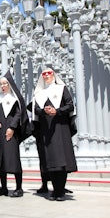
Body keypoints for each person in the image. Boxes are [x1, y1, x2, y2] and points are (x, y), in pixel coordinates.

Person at [31, 68, 77, 201]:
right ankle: (55, 190)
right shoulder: (39, 93)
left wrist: (57, 111)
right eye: (44, 74)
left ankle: (60, 191)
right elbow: (35, 110)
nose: (46, 75)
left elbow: (70, 105)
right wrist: (44, 111)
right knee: (50, 160)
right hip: (46, 130)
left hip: (60, 127)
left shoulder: (62, 88)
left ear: (54, 75)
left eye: (49, 73)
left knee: (61, 160)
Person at [0, 71, 29, 198]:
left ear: (10, 84)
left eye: (5, 83)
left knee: (13, 159)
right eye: (1, 84)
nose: (3, 86)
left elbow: (18, 114)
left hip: (10, 131)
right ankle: (3, 187)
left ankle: (19, 187)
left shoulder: (14, 98)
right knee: (0, 161)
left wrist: (12, 128)